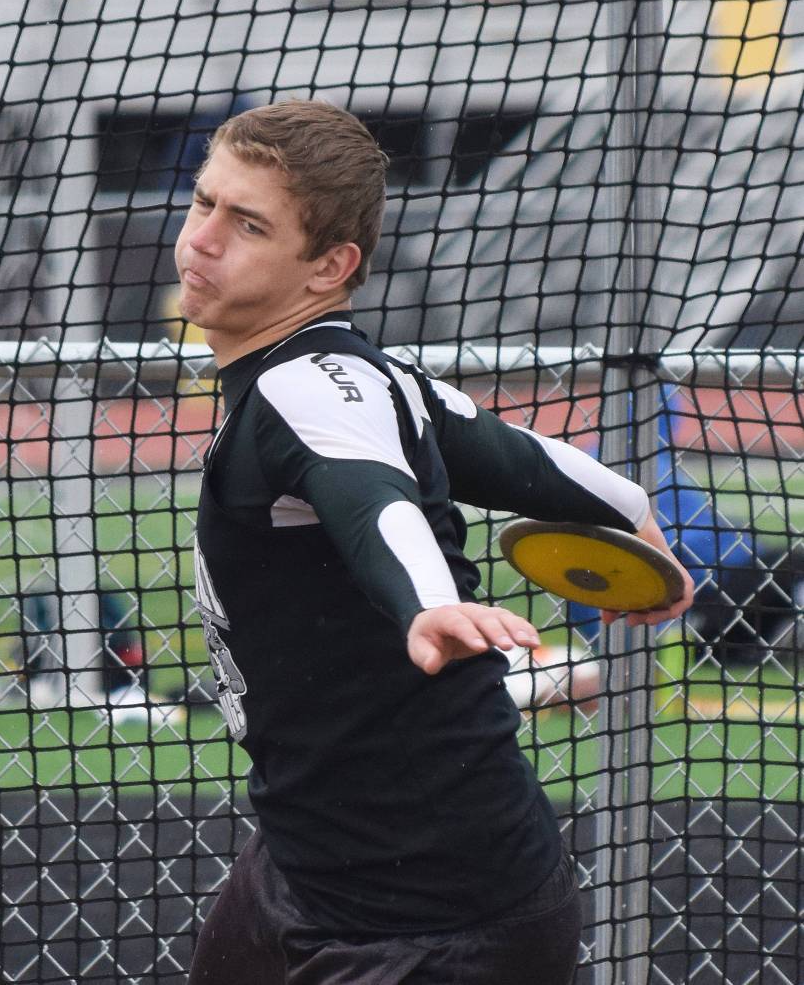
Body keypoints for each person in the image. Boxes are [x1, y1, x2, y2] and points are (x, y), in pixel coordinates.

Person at [177, 99, 694, 985]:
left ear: (328, 267)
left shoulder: (309, 387)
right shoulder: (369, 375)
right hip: (308, 864)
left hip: (436, 923)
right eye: (204, 203)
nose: (203, 238)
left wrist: (431, 603)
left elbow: (367, 496)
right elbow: (517, 457)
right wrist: (630, 506)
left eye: (249, 223)